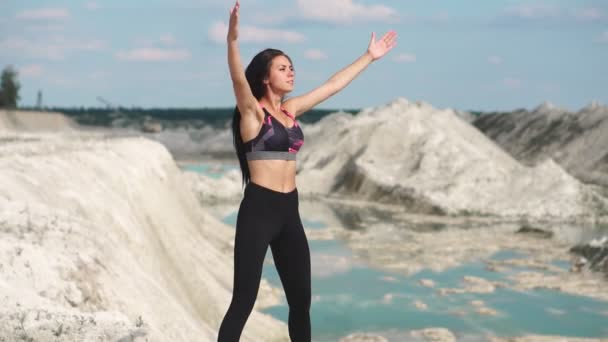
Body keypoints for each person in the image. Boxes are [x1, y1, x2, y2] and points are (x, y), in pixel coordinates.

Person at [217, 1, 397, 341]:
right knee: (244, 299)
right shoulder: (253, 114)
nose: (291, 72)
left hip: (289, 212)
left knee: (301, 302)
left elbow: (332, 86)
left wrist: (368, 57)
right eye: (283, 68)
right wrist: (232, 40)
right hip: (259, 210)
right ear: (265, 78)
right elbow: (237, 78)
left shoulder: (290, 110)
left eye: (292, 67)